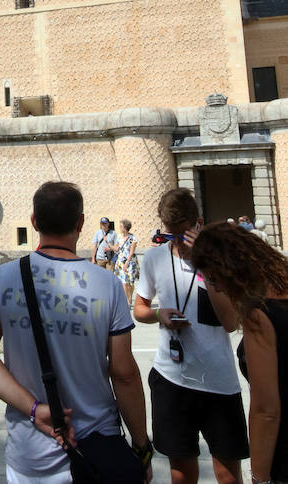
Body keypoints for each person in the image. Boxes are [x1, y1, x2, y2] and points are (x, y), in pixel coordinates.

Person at [0, 181, 152, 484]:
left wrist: (34, 409)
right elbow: (123, 373)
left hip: (31, 454)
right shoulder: (107, 285)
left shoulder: (6, 276)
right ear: (80, 223)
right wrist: (141, 445)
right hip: (97, 446)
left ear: (33, 222)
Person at [134, 189, 249, 484]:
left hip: (218, 382)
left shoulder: (222, 260)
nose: (179, 244)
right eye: (172, 236)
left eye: (183, 235)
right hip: (171, 379)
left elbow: (230, 322)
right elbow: (140, 308)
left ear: (198, 223)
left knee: (228, 475)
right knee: (181, 473)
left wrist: (207, 265)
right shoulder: (155, 259)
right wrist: (161, 316)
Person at [191, 222, 288, 484]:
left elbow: (266, 409)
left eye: (213, 278)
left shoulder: (260, 315)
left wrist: (260, 478)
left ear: (229, 269)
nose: (216, 288)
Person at [113, 219, 139, 307]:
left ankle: (130, 297)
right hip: (120, 262)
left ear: (125, 227)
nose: (119, 228)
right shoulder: (119, 237)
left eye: (121, 226)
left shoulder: (133, 238)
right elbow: (117, 248)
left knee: (130, 283)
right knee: (124, 282)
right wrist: (108, 245)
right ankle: (127, 301)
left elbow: (131, 252)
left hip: (130, 262)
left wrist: (127, 263)